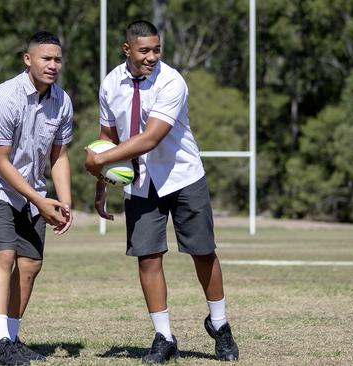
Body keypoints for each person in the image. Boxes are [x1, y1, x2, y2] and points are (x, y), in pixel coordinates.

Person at [84, 20, 239, 364]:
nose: (152, 56)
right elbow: (106, 137)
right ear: (127, 50)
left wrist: (98, 160)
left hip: (182, 176)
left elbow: (150, 138)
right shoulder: (111, 83)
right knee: (148, 257)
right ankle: (163, 336)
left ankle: (220, 325)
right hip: (140, 183)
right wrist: (101, 184)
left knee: (202, 252)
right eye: (144, 50)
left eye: (157, 49)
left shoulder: (171, 81)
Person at [0, 31, 74, 366]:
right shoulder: (5, 98)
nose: (52, 65)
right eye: (46, 58)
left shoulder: (62, 101)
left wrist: (63, 201)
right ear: (28, 59)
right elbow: (0, 160)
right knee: (4, 256)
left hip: (32, 191)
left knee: (30, 265)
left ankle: (11, 341)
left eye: (57, 59)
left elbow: (59, 156)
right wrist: (40, 202)